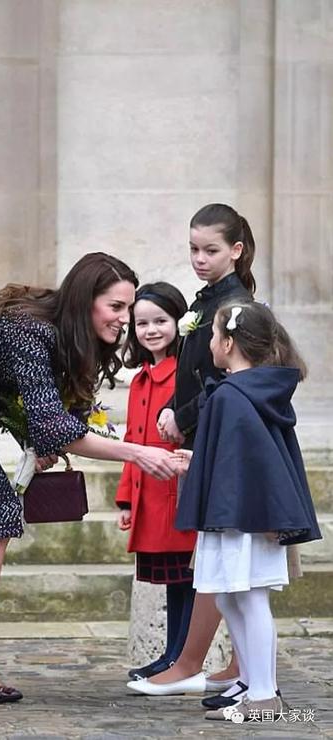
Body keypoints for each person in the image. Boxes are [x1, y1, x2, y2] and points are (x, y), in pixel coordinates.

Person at [0, 253, 178, 704]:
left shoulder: (74, 340)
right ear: (84, 300)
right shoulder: (31, 327)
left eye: (129, 309)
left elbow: (58, 419)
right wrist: (137, 454)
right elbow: (55, 428)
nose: (125, 319)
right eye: (116, 307)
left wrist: (44, 440)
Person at [173, 302, 321, 722]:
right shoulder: (243, 391)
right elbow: (236, 456)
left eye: (215, 335)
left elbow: (254, 463)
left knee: (251, 599)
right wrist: (197, 462)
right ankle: (256, 688)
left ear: (229, 342)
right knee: (227, 596)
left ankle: (263, 693)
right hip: (239, 512)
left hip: (242, 517)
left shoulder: (236, 396)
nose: (211, 344)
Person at [134, 203, 257, 697]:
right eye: (193, 249)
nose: (199, 259)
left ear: (236, 250)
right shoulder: (208, 302)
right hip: (202, 433)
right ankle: (236, 664)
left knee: (217, 554)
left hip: (217, 437)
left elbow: (227, 377)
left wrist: (178, 415)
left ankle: (190, 663)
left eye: (210, 250)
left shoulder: (236, 306)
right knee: (217, 554)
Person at [115, 283, 197, 679]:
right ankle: (170, 655)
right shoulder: (139, 381)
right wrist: (126, 500)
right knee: (170, 582)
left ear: (178, 323)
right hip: (148, 497)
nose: (151, 330)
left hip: (177, 494)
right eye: (142, 322)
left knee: (187, 580)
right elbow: (131, 443)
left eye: (160, 321)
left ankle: (182, 657)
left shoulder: (185, 376)